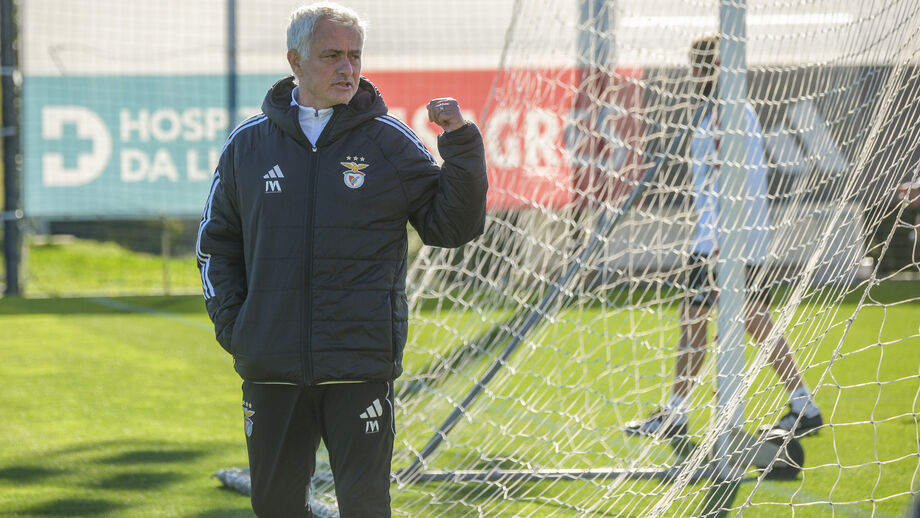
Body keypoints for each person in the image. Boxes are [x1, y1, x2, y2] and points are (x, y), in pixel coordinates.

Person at [195, 3, 488, 516]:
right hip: (273, 366)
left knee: (365, 507)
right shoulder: (248, 145)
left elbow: (451, 227)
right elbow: (215, 245)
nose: (347, 68)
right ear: (295, 60)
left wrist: (461, 145)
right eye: (332, 55)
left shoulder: (390, 142)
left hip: (358, 364)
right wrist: (237, 327)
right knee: (277, 507)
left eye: (354, 55)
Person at [624, 34, 822, 440]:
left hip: (724, 240)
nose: (696, 75)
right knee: (721, 320)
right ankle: (798, 404)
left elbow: (725, 182)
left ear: (707, 70)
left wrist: (717, 243)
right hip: (729, 238)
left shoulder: (724, 114)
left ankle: (800, 404)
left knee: (721, 321)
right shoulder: (725, 110)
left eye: (700, 67)